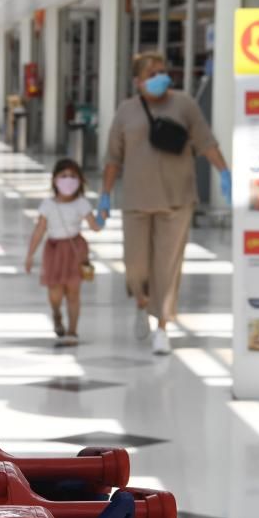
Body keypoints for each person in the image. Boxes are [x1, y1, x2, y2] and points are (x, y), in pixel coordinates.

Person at [100, 52, 231, 355]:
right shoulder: (126, 112)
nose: (160, 78)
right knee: (136, 267)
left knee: (167, 267)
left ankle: (162, 326)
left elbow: (206, 141)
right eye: (152, 74)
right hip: (136, 199)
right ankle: (142, 300)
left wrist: (224, 171)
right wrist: (105, 195)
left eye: (163, 71)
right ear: (138, 81)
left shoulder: (184, 104)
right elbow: (113, 158)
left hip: (177, 199)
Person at [25, 159, 105, 346]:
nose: (68, 180)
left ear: (80, 180)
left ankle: (72, 331)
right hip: (54, 250)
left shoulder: (82, 203)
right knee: (55, 293)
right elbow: (39, 230)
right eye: (63, 176)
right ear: (54, 180)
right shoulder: (48, 205)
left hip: (76, 251)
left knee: (73, 292)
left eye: (73, 176)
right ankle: (56, 312)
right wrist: (30, 255)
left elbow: (94, 226)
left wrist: (101, 217)